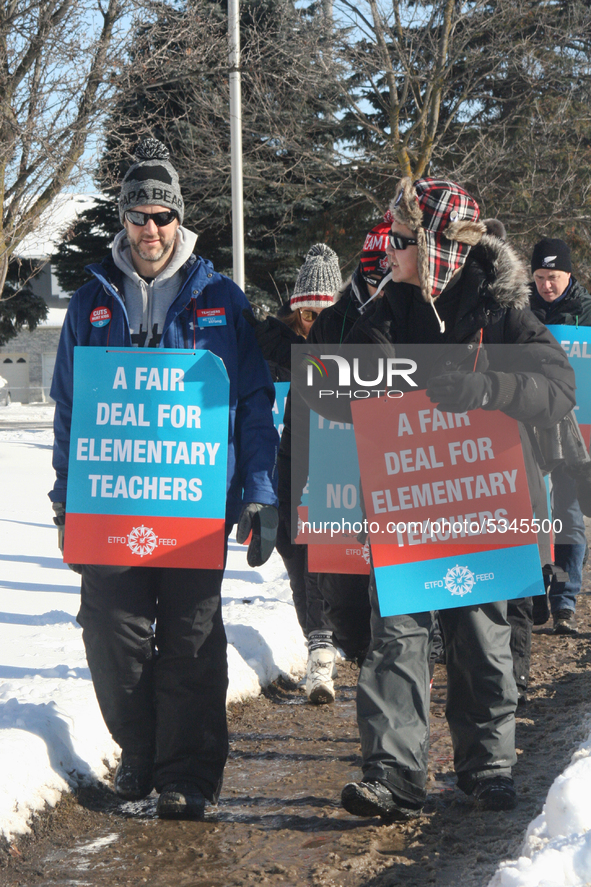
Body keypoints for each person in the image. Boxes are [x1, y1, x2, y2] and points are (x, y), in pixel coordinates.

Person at [301, 177, 575, 818]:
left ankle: (488, 766)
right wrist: (353, 360)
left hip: (484, 500)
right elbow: (321, 386)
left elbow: (558, 386)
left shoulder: (503, 307)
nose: (387, 250)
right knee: (398, 635)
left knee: (481, 632)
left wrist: (487, 389)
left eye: (400, 240)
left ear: (436, 247)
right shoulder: (382, 308)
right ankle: (392, 774)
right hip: (405, 504)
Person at [48, 138, 279, 820]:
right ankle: (142, 749)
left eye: (161, 217)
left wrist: (260, 490)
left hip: (194, 504)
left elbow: (252, 401)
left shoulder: (220, 299)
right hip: (110, 502)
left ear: (180, 221)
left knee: (190, 641)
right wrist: (65, 496)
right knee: (109, 631)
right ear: (123, 221)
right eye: (138, 216)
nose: (150, 230)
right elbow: (70, 407)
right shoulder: (92, 303)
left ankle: (189, 775)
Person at [274, 244, 344, 703]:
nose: (313, 323)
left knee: (338, 556)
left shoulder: (361, 340)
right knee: (297, 547)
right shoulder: (282, 347)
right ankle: (318, 647)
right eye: (306, 314)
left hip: (347, 461)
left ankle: (339, 647)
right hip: (295, 455)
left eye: (324, 312)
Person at [529, 237, 591, 635]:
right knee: (533, 512)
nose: (546, 285)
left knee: (568, 514)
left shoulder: (586, 312)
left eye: (553, 277)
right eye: (539, 277)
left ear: (569, 275)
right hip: (531, 422)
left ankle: (565, 601)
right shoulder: (520, 309)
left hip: (576, 428)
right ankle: (533, 591)